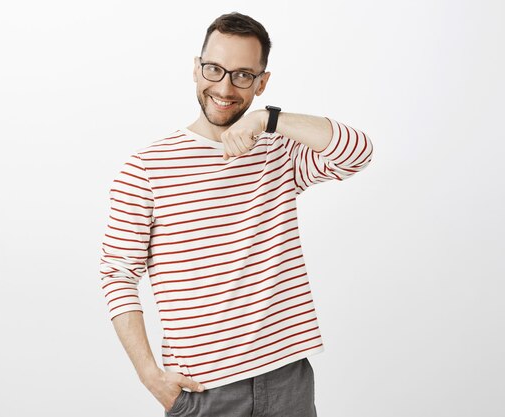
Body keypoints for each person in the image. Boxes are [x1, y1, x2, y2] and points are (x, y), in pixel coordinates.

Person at [98, 11, 373, 417]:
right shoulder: (147, 167)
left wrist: (270, 120)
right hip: (203, 389)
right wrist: (149, 375)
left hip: (287, 377)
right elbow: (117, 272)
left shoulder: (278, 151)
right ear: (196, 69)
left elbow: (357, 152)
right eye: (214, 69)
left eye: (243, 75)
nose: (224, 87)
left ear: (262, 83)